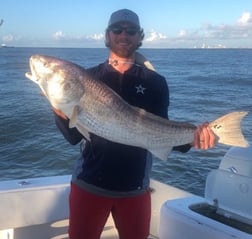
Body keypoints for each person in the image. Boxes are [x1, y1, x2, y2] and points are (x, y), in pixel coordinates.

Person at [53, 9, 216, 239]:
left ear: (140, 36)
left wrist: (194, 138)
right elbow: (73, 138)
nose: (123, 34)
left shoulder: (155, 82)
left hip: (135, 190)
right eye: (117, 29)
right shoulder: (89, 78)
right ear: (107, 35)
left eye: (130, 30)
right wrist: (59, 109)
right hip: (88, 185)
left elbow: (160, 133)